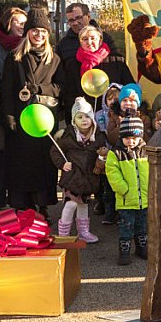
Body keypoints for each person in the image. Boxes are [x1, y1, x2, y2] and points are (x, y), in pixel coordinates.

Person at [0, 12, 64, 219]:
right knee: (21, 164)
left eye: (43, 31)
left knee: (44, 165)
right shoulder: (15, 57)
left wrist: (41, 88)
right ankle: (22, 206)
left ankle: (43, 206)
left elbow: (59, 88)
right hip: (21, 119)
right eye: (35, 30)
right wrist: (8, 117)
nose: (38, 35)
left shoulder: (54, 59)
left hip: (44, 120)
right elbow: (7, 89)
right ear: (28, 33)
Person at [50, 97, 107, 244]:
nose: (84, 120)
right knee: (71, 203)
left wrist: (101, 160)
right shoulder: (67, 136)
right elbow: (55, 151)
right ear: (74, 120)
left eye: (87, 116)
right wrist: (62, 164)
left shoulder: (98, 137)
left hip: (89, 177)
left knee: (83, 204)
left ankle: (83, 232)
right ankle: (63, 234)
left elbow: (102, 154)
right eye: (80, 117)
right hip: (73, 176)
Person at [0, 6, 27, 212]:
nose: (21, 26)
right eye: (17, 22)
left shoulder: (26, 45)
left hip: (20, 109)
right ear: (8, 23)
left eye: (24, 22)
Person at [62, 24, 134, 123]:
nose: (89, 42)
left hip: (114, 118)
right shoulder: (72, 65)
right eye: (85, 39)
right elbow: (69, 95)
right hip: (85, 120)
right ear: (80, 42)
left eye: (93, 38)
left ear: (100, 40)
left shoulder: (117, 61)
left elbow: (130, 87)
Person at [106, 113, 149, 265]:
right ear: (121, 137)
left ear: (140, 137)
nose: (131, 141)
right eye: (127, 138)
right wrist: (123, 189)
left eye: (134, 138)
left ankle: (141, 247)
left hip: (143, 199)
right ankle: (124, 251)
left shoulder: (146, 151)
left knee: (142, 226)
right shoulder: (115, 153)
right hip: (125, 200)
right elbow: (112, 173)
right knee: (126, 227)